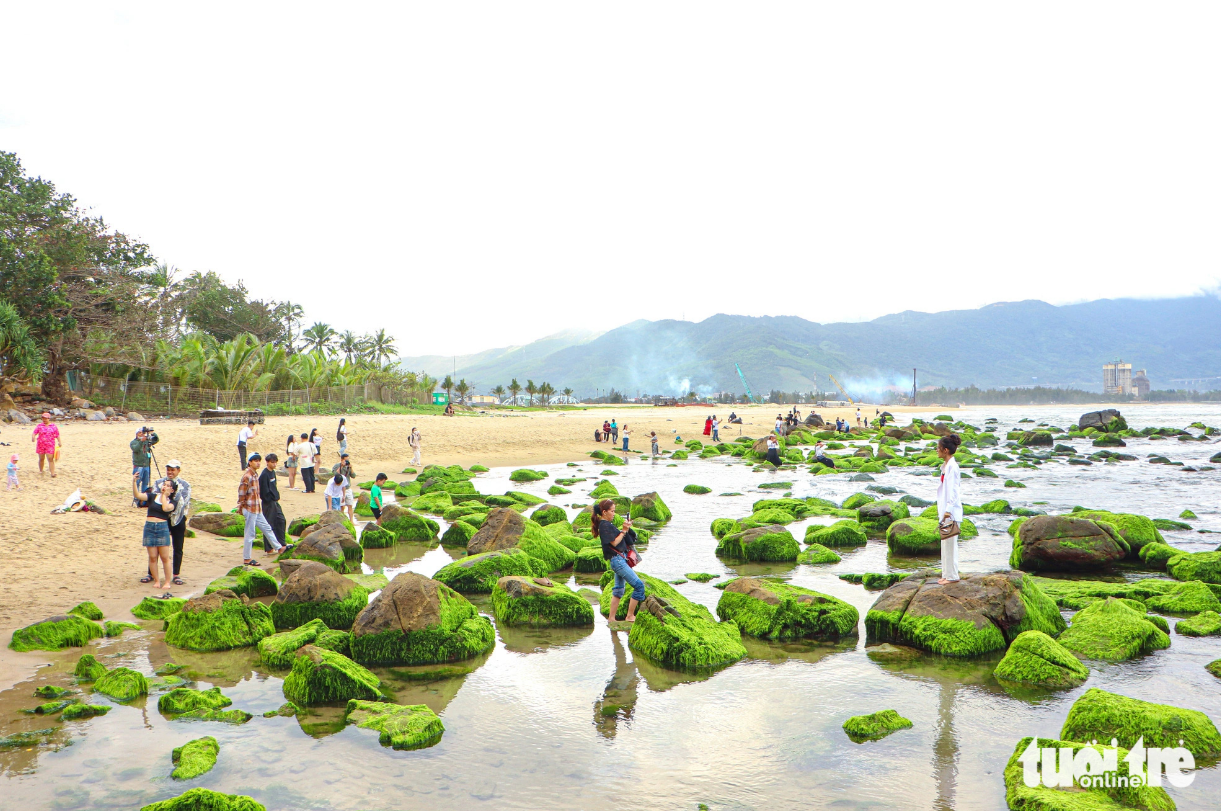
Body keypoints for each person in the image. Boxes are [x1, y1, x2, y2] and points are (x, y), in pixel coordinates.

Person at [594, 499, 644, 623]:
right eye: (612, 511)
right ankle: (630, 616)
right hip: (618, 561)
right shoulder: (604, 525)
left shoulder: (607, 525)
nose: (614, 514)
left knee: (618, 590)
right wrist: (624, 530)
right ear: (604, 512)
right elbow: (615, 542)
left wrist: (626, 529)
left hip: (619, 560)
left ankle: (612, 619)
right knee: (639, 586)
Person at [237, 453, 290, 566]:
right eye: (255, 461)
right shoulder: (247, 476)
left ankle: (279, 548)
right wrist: (241, 507)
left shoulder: (255, 475)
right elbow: (242, 493)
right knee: (250, 534)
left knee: (267, 528)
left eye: (258, 460)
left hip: (257, 508)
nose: (257, 463)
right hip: (250, 508)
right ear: (250, 462)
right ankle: (247, 558)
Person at [145, 459, 191, 586]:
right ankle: (151, 574)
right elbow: (154, 499)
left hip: (177, 518)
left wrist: (168, 507)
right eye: (168, 469)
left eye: (173, 469)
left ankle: (176, 574)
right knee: (154, 547)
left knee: (178, 546)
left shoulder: (185, 485)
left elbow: (183, 502)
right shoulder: (159, 482)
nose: (170, 471)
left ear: (178, 470)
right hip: (160, 519)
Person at [133, 472, 176, 597]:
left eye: (168, 485)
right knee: (152, 557)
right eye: (164, 484)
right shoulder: (152, 496)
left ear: (172, 489)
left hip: (162, 528)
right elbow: (138, 495)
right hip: (150, 527)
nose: (165, 486)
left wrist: (164, 495)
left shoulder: (172, 501)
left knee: (164, 557)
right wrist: (134, 482)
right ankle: (157, 580)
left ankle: (167, 581)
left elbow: (165, 508)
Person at [935, 434, 963, 585]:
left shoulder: (953, 467)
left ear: (945, 450)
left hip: (950, 511)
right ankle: (946, 574)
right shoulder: (946, 466)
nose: (936, 451)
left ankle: (952, 576)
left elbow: (954, 490)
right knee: (945, 542)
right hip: (945, 510)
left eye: (938, 448)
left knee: (951, 544)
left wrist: (949, 509)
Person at [259, 453, 287, 556]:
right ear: (267, 462)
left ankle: (281, 544)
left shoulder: (273, 473)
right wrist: (269, 499)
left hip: (275, 501)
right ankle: (269, 548)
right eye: (272, 462)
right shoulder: (264, 475)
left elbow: (274, 486)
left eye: (275, 462)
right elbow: (263, 492)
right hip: (268, 503)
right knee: (268, 525)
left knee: (281, 520)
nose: (274, 464)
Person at [130, 427, 159, 503]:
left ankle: (144, 499)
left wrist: (152, 432)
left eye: (142, 433)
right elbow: (135, 449)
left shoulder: (147, 441)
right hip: (138, 465)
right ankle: (136, 499)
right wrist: (141, 441)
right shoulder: (133, 442)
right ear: (136, 434)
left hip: (146, 465)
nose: (142, 434)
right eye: (140, 433)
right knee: (137, 482)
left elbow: (156, 440)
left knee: (145, 483)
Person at [31, 412, 61, 477]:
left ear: (49, 419)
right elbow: (34, 432)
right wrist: (33, 437)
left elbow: (57, 435)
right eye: (43, 418)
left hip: (50, 444)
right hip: (41, 444)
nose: (44, 420)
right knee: (41, 458)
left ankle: (52, 473)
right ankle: (41, 471)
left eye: (46, 419)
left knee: (50, 459)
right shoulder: (39, 426)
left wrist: (59, 442)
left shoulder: (53, 426)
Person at [338, 454, 357, 522]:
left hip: (348, 488)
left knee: (350, 505)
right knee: (342, 507)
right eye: (346, 460)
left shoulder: (348, 467)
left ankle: (351, 521)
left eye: (348, 460)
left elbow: (354, 476)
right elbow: (336, 475)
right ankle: (342, 521)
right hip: (340, 489)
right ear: (342, 459)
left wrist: (351, 468)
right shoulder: (338, 466)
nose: (347, 461)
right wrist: (341, 466)